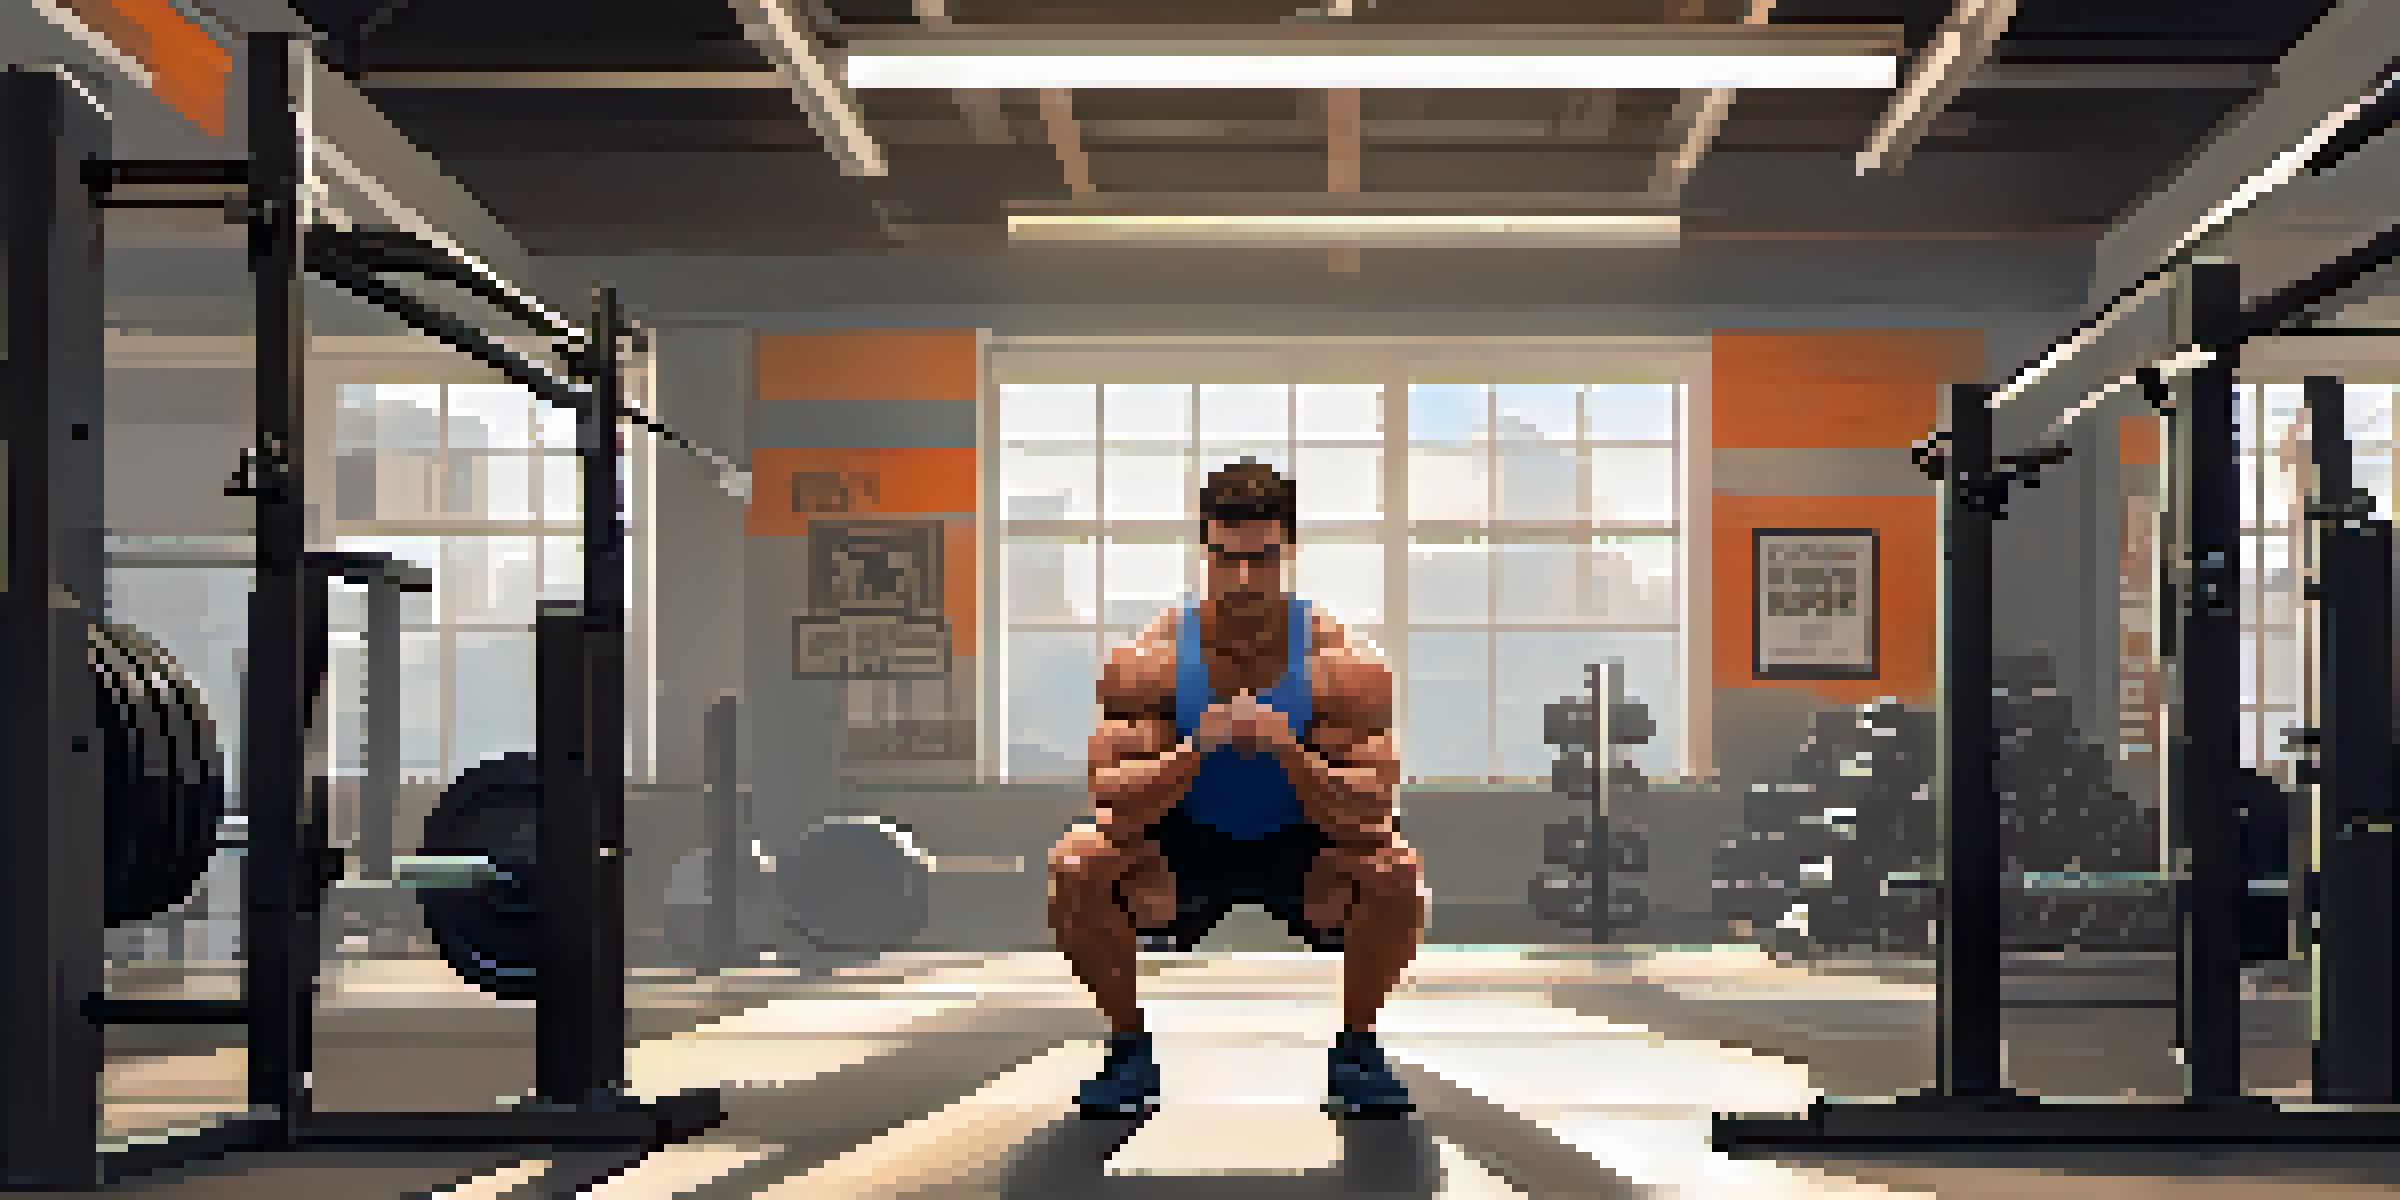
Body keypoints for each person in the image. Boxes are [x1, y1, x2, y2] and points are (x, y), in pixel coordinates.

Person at [1045, 459, 1426, 1120]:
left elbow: (1370, 814)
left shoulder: (1342, 666)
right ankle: (1129, 1050)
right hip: (1184, 844)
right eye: (1226, 560)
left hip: (1304, 846)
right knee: (1076, 865)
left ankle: (1357, 1051)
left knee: (1395, 870)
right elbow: (1111, 801)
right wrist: (1196, 750)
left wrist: (1287, 749)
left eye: (1262, 559)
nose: (1244, 579)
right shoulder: (1150, 662)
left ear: (1290, 551)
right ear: (1205, 553)